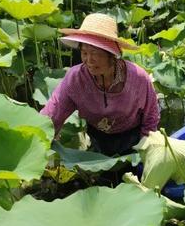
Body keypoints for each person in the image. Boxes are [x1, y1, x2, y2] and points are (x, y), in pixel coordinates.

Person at [41, 13, 160, 156]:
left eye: (95, 53)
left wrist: (146, 150)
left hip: (133, 139)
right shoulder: (75, 79)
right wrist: (38, 141)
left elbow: (151, 116)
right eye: (84, 53)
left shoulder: (138, 78)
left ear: (112, 55)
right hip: (98, 138)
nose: (89, 60)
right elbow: (53, 114)